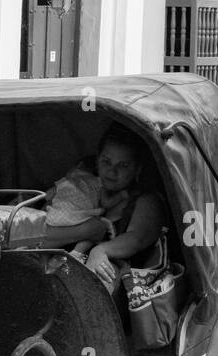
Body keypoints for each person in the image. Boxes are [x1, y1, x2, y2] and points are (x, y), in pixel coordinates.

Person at [41, 124, 167, 292]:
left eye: (123, 165)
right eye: (106, 162)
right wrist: (86, 230)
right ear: (97, 160)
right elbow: (38, 237)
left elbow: (137, 238)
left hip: (109, 282)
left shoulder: (146, 200)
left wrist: (101, 250)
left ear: (137, 169)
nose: (112, 171)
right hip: (55, 273)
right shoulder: (79, 188)